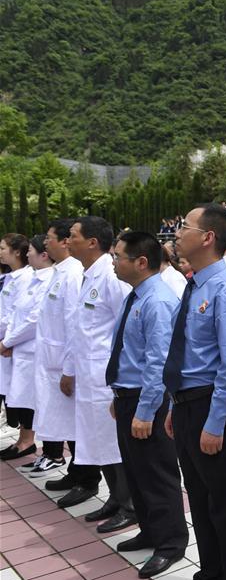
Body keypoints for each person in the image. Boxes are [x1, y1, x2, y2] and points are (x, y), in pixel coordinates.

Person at [164, 203, 226, 580]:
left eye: (185, 226)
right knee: (199, 499)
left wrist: (215, 422)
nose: (177, 232)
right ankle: (211, 575)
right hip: (186, 406)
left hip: (213, 409)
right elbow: (186, 354)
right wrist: (173, 406)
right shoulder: (194, 284)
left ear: (208, 237)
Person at [108, 232, 189, 578]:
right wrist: (120, 396)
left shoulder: (157, 301)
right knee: (137, 471)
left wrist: (144, 410)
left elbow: (158, 363)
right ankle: (151, 530)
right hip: (129, 396)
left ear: (141, 262)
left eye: (118, 256)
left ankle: (171, 542)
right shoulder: (137, 296)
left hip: (148, 402)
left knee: (157, 474)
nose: (113, 262)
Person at [67, 216, 135, 533]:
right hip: (89, 374)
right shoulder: (88, 275)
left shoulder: (112, 277)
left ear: (92, 242)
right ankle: (115, 498)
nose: (68, 240)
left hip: (107, 377)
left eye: (73, 236)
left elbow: (129, 329)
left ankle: (130, 504)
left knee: (114, 442)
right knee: (98, 440)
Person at [33, 220, 97, 505]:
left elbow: (75, 325)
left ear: (63, 242)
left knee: (77, 426)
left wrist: (69, 369)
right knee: (67, 425)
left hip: (66, 365)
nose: (45, 243)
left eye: (50, 238)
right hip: (54, 362)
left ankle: (87, 479)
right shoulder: (59, 273)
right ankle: (75, 472)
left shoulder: (73, 275)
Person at [5, 236, 55, 476]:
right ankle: (30, 444)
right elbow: (15, 313)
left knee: (36, 402)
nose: (27, 255)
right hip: (20, 348)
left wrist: (8, 340)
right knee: (25, 400)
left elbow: (34, 319)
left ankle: (45, 450)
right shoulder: (32, 278)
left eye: (31, 251)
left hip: (32, 349)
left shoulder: (47, 279)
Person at [0, 234, 36, 461]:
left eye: (2, 248)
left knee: (24, 396)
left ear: (16, 252)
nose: (0, 251)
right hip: (8, 344)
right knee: (15, 396)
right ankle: (23, 440)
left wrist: (7, 340)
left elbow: (18, 315)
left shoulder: (25, 278)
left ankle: (27, 441)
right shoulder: (11, 277)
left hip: (15, 345)